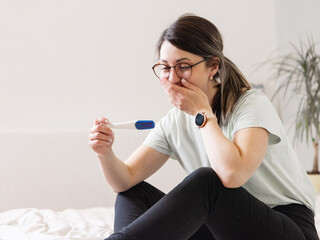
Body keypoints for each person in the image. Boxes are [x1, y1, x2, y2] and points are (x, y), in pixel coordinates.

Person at [88, 14, 319, 240]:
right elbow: (125, 179)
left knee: (207, 181)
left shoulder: (251, 104)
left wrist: (202, 113)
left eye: (183, 66)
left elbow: (232, 175)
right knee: (133, 192)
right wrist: (105, 153)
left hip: (286, 227)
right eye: (165, 68)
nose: (172, 78)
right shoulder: (174, 121)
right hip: (221, 228)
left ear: (213, 67)